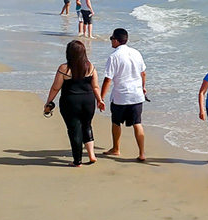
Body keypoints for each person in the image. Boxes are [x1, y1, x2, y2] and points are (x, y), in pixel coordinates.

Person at [45, 40, 105, 167]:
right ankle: (91, 155)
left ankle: (77, 161)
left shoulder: (64, 68)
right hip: (88, 101)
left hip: (70, 102)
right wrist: (99, 100)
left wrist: (49, 102)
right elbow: (95, 87)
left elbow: (56, 87)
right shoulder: (90, 67)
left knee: (74, 129)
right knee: (87, 126)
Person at [100, 28, 148, 161]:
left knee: (116, 122)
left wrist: (101, 98)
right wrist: (143, 87)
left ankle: (116, 148)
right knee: (137, 122)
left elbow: (108, 79)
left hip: (121, 96)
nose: (111, 40)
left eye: (111, 38)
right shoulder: (136, 53)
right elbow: (143, 73)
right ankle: (142, 153)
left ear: (116, 40)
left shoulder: (114, 56)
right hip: (136, 95)